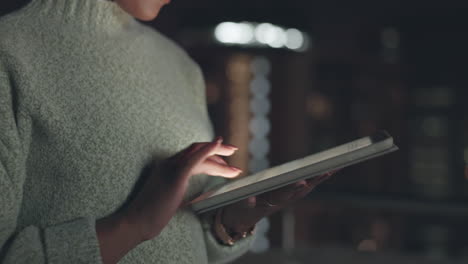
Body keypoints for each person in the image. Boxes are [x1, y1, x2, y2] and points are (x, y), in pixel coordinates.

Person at [0, 0, 335, 263]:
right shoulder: (10, 54)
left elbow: (189, 236)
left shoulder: (179, 66)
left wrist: (237, 217)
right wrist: (133, 225)